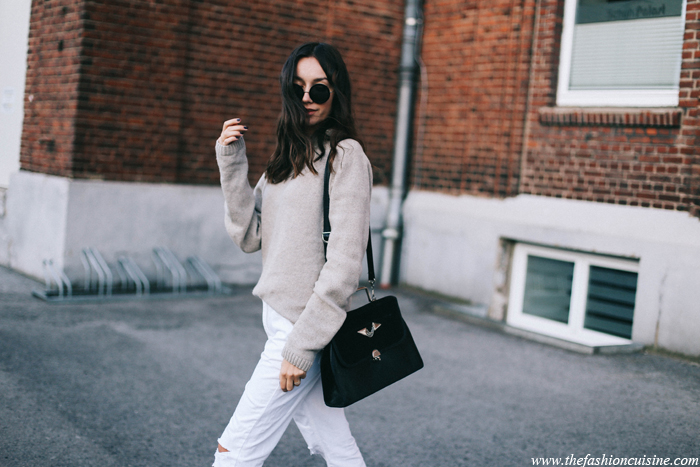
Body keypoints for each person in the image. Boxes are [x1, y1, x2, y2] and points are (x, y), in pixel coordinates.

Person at [212, 42, 371, 467]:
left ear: (336, 92)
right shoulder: (287, 159)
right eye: (297, 88)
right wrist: (232, 162)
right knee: (336, 447)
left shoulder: (345, 156)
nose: (307, 98)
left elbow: (344, 265)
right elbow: (249, 235)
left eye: (319, 88)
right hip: (282, 322)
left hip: (302, 331)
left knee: (233, 451)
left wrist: (300, 346)